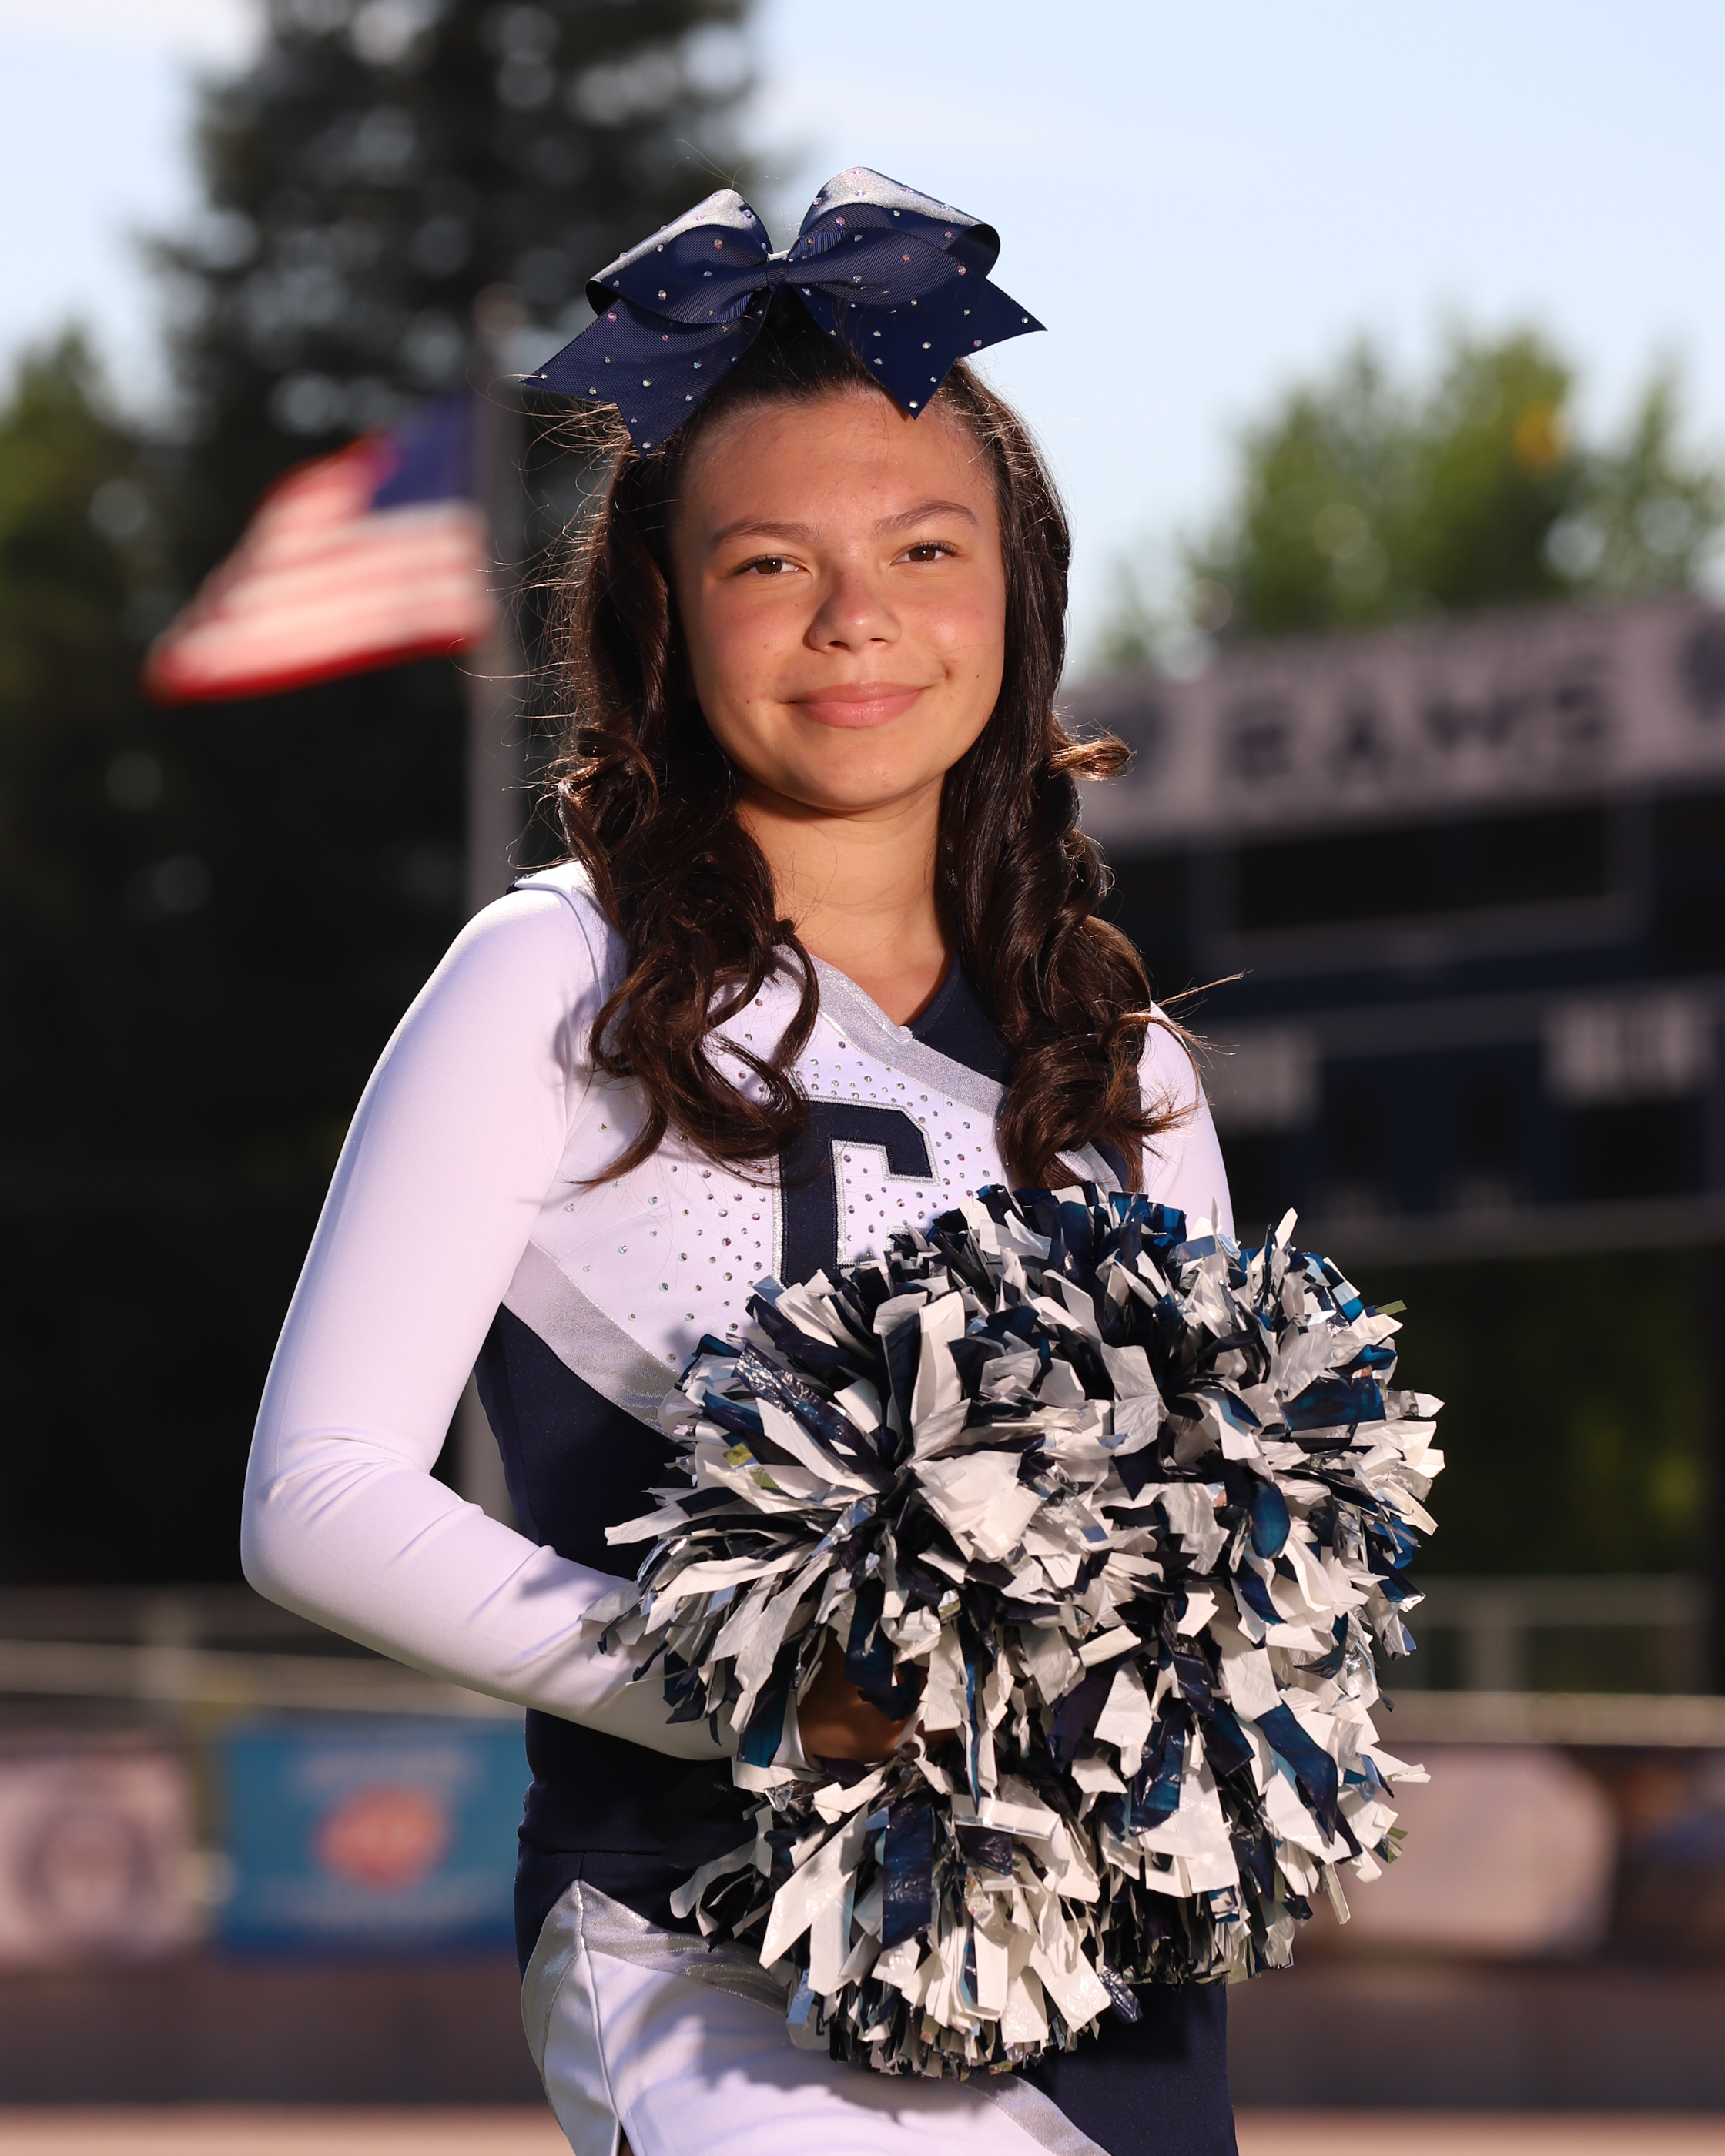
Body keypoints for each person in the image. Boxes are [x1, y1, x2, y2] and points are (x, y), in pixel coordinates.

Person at [242, 172, 1237, 2156]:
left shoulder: (1123, 1059)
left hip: (1104, 1971)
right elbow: (317, 1501)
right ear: (665, 615)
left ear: (1020, 593)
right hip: (700, 1940)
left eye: (926, 548)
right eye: (771, 562)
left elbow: (1206, 1526)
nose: (858, 615)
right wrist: (765, 1686)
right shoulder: (557, 974)